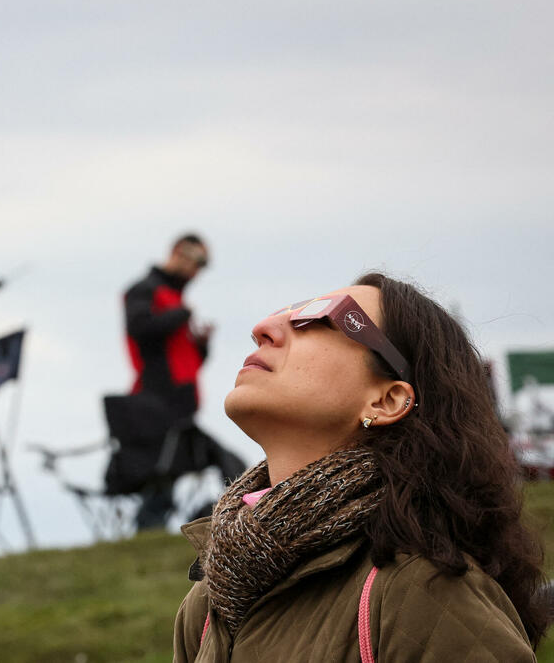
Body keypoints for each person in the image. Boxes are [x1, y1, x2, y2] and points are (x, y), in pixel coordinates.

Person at [173, 273, 548, 662]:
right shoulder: (207, 604)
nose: (262, 328)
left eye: (319, 318)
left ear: (387, 400)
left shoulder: (421, 593)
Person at [123, 233, 213, 528]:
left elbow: (189, 361)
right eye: (194, 259)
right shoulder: (145, 290)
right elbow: (139, 329)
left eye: (202, 264)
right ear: (177, 252)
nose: (196, 270)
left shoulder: (176, 299)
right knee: (162, 471)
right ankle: (149, 529)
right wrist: (180, 315)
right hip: (157, 399)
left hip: (182, 400)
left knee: (174, 471)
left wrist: (200, 343)